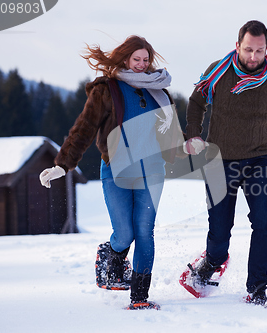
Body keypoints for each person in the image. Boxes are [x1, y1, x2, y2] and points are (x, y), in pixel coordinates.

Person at [39, 35, 185, 310]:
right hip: (116, 169)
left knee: (145, 231)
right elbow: (84, 128)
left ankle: (139, 297)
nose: (141, 65)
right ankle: (112, 254)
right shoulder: (106, 89)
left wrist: (187, 145)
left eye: (145, 60)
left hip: (152, 170)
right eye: (136, 59)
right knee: (125, 232)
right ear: (125, 58)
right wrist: (62, 164)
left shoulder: (160, 93)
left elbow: (171, 136)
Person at [183, 20, 267, 306]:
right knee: (219, 234)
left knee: (263, 223)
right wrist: (193, 134)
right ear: (237, 45)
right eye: (248, 50)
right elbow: (196, 102)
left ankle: (256, 290)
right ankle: (210, 263)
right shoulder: (218, 72)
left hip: (258, 161)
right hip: (218, 162)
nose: (253, 57)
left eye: (260, 51)